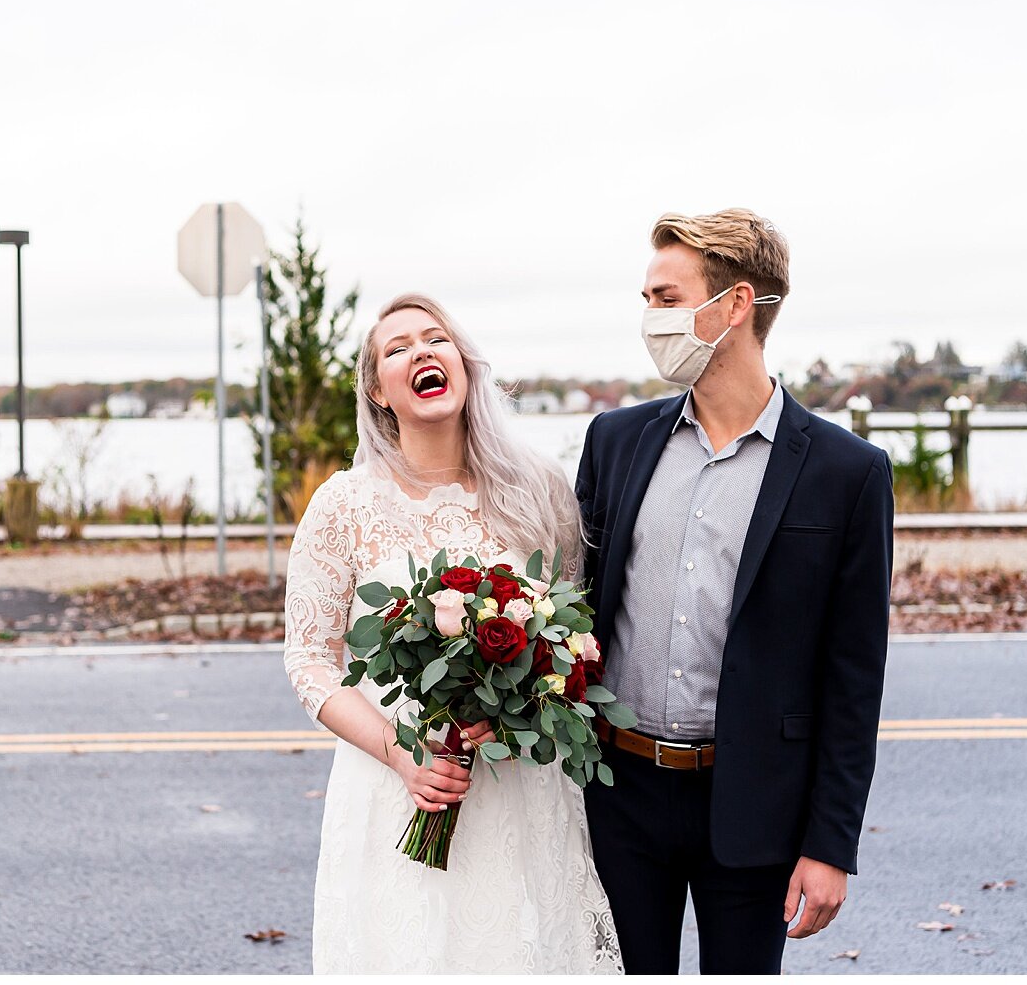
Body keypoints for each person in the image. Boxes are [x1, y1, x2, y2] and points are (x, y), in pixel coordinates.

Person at [575, 208, 894, 974]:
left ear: (735, 305)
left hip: (756, 805)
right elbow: (574, 609)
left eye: (665, 296)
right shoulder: (615, 442)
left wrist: (830, 844)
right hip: (620, 796)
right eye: (647, 298)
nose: (650, 317)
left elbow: (855, 679)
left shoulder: (847, 474)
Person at [282, 293, 622, 973]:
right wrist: (403, 755)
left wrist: (520, 707)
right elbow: (310, 662)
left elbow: (571, 637)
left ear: (465, 366)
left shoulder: (540, 491)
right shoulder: (344, 505)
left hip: (520, 785)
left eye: (435, 339)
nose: (422, 352)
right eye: (398, 347)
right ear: (379, 390)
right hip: (395, 785)